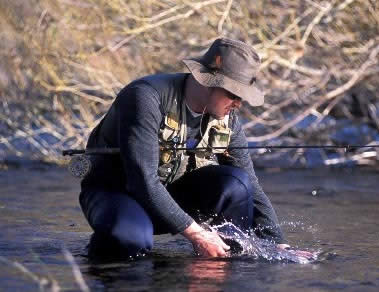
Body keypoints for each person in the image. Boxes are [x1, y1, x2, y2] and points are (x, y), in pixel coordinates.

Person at [79, 37, 292, 259]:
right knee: (131, 238)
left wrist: (279, 245)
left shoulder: (227, 118)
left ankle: (223, 263)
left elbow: (252, 185)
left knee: (238, 183)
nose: (239, 103)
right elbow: (142, 180)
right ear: (207, 81)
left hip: (170, 195)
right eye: (234, 94)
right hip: (117, 193)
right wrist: (198, 234)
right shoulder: (145, 97)